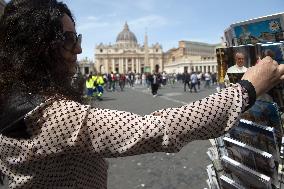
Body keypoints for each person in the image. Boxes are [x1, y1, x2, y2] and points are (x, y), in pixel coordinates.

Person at [0, 1, 284, 188]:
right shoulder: (51, 117)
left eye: (79, 39)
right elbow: (156, 129)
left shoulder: (14, 97)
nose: (78, 49)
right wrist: (246, 90)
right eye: (69, 39)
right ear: (38, 48)